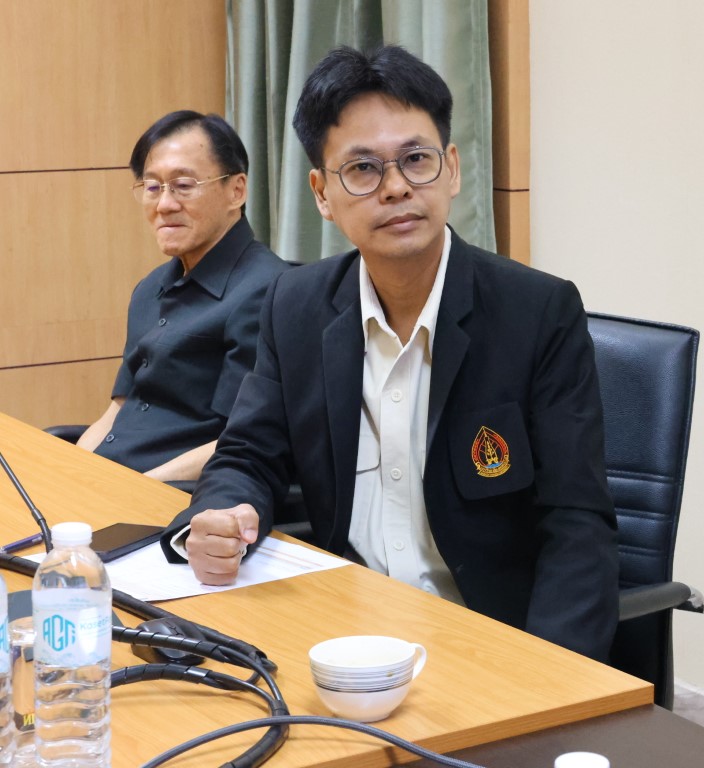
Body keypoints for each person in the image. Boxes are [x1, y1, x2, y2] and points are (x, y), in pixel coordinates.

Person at [159, 45, 619, 661]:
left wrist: (553, 678)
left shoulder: (537, 313)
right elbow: (249, 454)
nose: (397, 187)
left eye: (416, 160)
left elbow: (576, 524)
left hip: (485, 639)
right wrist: (223, 513)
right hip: (340, 632)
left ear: (451, 170)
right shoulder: (294, 307)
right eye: (363, 169)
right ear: (322, 194)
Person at [78, 111, 289, 481]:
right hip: (117, 481)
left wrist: (135, 490)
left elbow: (241, 440)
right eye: (152, 187)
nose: (164, 205)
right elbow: (118, 409)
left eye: (183, 185)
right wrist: (73, 473)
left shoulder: (269, 292)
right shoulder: (149, 288)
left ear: (236, 191)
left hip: (181, 495)